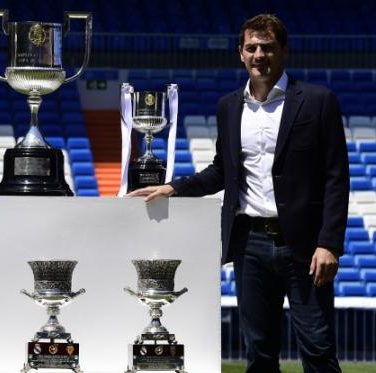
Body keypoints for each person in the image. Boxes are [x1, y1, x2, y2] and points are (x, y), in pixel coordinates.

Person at [128, 14, 348, 373]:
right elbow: (222, 170)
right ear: (240, 54)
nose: (259, 54)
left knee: (318, 350)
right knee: (259, 353)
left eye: (268, 47)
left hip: (305, 247)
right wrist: (174, 187)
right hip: (251, 245)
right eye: (252, 47)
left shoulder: (318, 101)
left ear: (284, 51)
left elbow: (336, 177)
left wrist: (330, 244)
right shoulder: (229, 107)